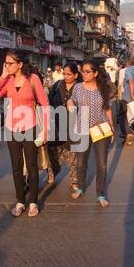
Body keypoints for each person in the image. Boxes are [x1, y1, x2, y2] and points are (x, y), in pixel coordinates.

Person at [0, 50, 49, 217]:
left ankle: (33, 202)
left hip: (30, 127)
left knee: (31, 166)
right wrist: (2, 76)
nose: (7, 66)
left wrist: (45, 130)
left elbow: (44, 104)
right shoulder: (7, 80)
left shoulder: (33, 79)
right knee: (16, 167)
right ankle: (20, 201)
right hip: (12, 128)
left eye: (10, 63)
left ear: (20, 64)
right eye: (5, 63)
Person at [67, 60, 115, 208]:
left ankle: (100, 194)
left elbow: (107, 109)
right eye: (83, 71)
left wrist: (112, 127)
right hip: (82, 128)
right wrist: (69, 103)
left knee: (102, 164)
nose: (84, 74)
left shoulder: (103, 88)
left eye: (88, 72)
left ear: (95, 73)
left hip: (100, 129)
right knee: (81, 162)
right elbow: (71, 99)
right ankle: (80, 187)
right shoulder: (78, 87)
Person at [47, 62, 82, 191]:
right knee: (54, 152)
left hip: (73, 126)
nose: (66, 76)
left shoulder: (80, 87)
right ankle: (52, 172)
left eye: (69, 74)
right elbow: (49, 102)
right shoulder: (57, 85)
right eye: (64, 74)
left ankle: (74, 181)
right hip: (56, 125)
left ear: (76, 75)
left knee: (73, 155)